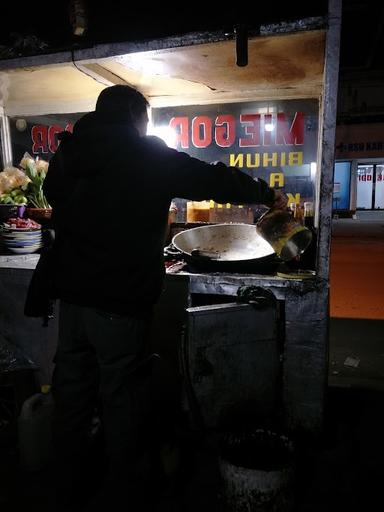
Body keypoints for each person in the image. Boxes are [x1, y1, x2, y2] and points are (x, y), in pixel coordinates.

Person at [42, 84, 287, 510]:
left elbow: (53, 199)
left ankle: (67, 486)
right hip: (117, 298)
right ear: (138, 116)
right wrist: (264, 193)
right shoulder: (145, 153)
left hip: (72, 297)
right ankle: (127, 492)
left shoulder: (68, 154)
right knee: (122, 397)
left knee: (73, 392)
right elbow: (209, 178)